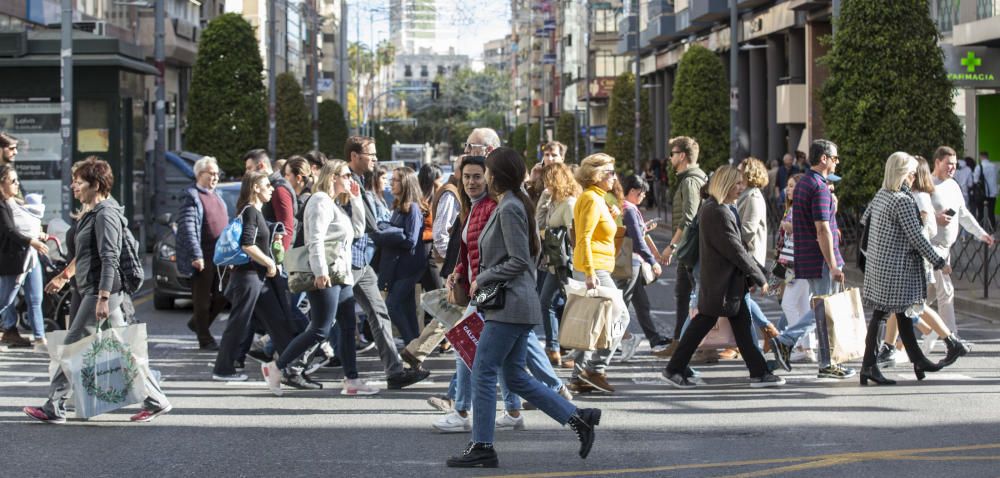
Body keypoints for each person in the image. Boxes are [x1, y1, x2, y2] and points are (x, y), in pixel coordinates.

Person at [445, 147, 600, 468]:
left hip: (511, 305)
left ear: (495, 175)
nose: (482, 177)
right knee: (514, 377)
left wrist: (483, 277)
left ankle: (483, 445)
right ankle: (579, 418)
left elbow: (519, 261)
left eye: (486, 171)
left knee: (484, 370)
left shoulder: (510, 208)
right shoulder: (512, 204)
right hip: (512, 305)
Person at [23, 157, 171, 423]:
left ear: (96, 185)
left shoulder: (106, 214)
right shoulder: (93, 212)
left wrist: (102, 297)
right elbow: (85, 253)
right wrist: (65, 276)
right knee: (124, 349)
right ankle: (157, 399)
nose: (73, 186)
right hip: (94, 289)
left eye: (79, 182)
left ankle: (54, 406)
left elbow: (109, 257)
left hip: (101, 291)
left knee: (74, 345)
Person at [661, 165, 783, 389]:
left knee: (741, 325)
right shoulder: (717, 211)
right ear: (725, 185)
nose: (741, 187)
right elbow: (735, 250)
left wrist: (762, 274)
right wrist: (760, 277)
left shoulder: (721, 208)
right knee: (704, 324)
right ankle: (674, 368)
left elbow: (740, 248)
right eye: (737, 183)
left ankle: (758, 371)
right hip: (722, 283)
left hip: (726, 282)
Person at [263, 160, 379, 395]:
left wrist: (356, 200)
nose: (351, 179)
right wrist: (320, 272)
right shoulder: (320, 201)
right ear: (333, 176)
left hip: (340, 274)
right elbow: (314, 239)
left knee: (347, 326)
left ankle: (352, 380)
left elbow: (358, 230)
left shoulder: (334, 204)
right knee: (320, 329)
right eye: (346, 175)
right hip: (327, 272)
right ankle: (276, 366)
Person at [344, 136, 430, 389]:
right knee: (327, 320)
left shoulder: (360, 182)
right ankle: (286, 362)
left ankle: (394, 372)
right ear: (354, 156)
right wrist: (382, 230)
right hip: (348, 261)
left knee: (380, 313)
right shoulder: (345, 180)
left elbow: (377, 228)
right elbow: (370, 227)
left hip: (362, 261)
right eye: (370, 154)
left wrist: (381, 229)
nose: (374, 159)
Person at [859, 152, 951, 385]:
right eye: (911, 173)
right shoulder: (902, 201)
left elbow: (864, 222)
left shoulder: (881, 195)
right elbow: (918, 239)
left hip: (880, 264)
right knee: (884, 314)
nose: (913, 178)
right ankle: (869, 366)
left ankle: (917, 360)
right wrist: (940, 261)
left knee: (901, 312)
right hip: (898, 268)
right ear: (902, 174)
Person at [769, 139, 856, 380]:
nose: (838, 162)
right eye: (835, 158)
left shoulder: (807, 182)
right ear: (824, 158)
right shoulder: (819, 186)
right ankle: (786, 341)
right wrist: (833, 264)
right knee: (823, 307)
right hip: (820, 258)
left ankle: (827, 363)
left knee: (823, 308)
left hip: (808, 256)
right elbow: (823, 229)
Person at [877, 156, 970, 369]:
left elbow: (925, 232)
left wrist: (933, 254)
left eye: (910, 172)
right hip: (914, 259)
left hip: (914, 261)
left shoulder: (917, 197)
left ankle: (948, 342)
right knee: (906, 306)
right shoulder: (914, 195)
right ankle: (892, 347)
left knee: (911, 305)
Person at [211, 171, 295, 381]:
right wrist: (269, 262)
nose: (272, 188)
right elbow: (247, 244)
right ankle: (223, 369)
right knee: (238, 323)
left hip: (258, 278)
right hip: (249, 277)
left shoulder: (255, 211)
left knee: (277, 320)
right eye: (267, 185)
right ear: (255, 188)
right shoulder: (250, 211)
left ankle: (292, 367)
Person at [567, 153, 628, 394]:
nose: (614, 177)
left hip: (594, 266)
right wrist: (591, 273)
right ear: (597, 175)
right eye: (610, 172)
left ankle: (578, 377)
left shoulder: (596, 198)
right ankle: (595, 369)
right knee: (621, 317)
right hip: (593, 268)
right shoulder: (592, 199)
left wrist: (610, 217)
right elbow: (583, 237)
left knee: (593, 322)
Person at [925, 147, 995, 338]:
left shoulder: (953, 185)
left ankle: (903, 323)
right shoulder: (926, 184)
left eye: (955, 165)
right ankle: (951, 337)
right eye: (949, 164)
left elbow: (962, 214)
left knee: (926, 296)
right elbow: (915, 213)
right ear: (937, 162)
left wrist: (981, 234)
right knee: (946, 291)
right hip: (930, 247)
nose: (952, 168)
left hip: (946, 249)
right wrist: (934, 218)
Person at [176, 156, 229, 350]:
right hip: (204, 255)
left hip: (221, 255)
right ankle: (204, 338)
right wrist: (196, 254)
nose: (215, 177)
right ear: (199, 174)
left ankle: (197, 323)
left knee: (224, 295)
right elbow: (188, 227)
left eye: (217, 174)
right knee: (202, 300)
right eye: (211, 174)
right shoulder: (192, 195)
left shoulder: (217, 195)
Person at [659, 137, 708, 347]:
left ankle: (685, 342)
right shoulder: (689, 179)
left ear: (682, 156)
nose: (670, 158)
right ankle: (679, 341)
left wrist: (672, 246)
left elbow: (689, 217)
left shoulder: (690, 181)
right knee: (684, 293)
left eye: (672, 153)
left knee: (693, 295)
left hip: (691, 248)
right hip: (690, 247)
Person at [371, 167, 427, 345]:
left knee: (392, 306)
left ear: (405, 183)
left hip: (409, 268)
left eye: (394, 180)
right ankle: (415, 350)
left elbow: (410, 239)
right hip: (399, 268)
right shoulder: (398, 207)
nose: (390, 183)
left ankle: (411, 344)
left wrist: (387, 232)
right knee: (408, 309)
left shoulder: (413, 208)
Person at [536, 162, 581, 365]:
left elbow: (576, 235)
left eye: (548, 178)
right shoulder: (556, 201)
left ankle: (559, 347)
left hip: (566, 264)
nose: (544, 182)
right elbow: (539, 222)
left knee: (554, 303)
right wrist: (545, 198)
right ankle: (558, 347)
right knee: (555, 303)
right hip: (555, 262)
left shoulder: (569, 204)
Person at [0, 165, 49, 348]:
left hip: (30, 257)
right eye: (13, 181)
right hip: (13, 260)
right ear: (1, 183)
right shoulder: (2, 205)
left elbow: (32, 224)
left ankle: (40, 338)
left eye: (17, 180)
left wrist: (40, 234)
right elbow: (9, 231)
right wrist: (32, 241)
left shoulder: (19, 203)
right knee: (5, 301)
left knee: (36, 298)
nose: (16, 184)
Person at [617, 174, 666, 355]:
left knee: (641, 303)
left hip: (630, 261)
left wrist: (643, 227)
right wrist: (653, 261)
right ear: (632, 192)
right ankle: (618, 341)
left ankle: (654, 339)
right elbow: (638, 241)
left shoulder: (625, 208)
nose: (644, 196)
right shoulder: (629, 210)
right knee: (621, 306)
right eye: (641, 193)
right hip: (631, 261)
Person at [736, 157, 779, 356]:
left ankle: (766, 331)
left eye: (740, 170)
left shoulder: (752, 196)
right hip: (742, 253)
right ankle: (767, 331)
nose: (736, 173)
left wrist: (727, 234)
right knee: (739, 297)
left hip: (748, 255)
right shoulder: (745, 194)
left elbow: (748, 230)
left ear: (749, 173)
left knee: (740, 297)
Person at [776, 174, 818, 362]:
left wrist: (787, 226)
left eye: (793, 186)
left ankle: (797, 342)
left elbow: (801, 229)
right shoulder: (792, 208)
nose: (789, 189)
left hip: (798, 262)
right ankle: (807, 347)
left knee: (788, 303)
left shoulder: (799, 208)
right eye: (788, 186)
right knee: (802, 305)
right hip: (797, 261)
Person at [972, 151, 997, 231]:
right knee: (991, 213)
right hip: (992, 193)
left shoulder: (979, 167)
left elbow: (975, 180)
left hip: (982, 194)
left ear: (981, 157)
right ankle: (992, 230)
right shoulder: (994, 166)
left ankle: (980, 231)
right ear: (987, 157)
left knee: (980, 213)